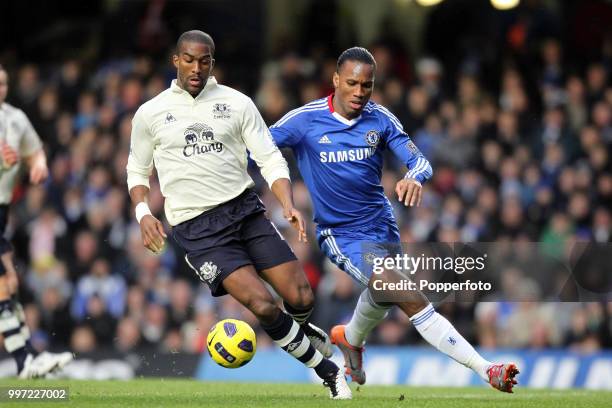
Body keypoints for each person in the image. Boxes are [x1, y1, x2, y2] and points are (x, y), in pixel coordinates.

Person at [270, 47, 519, 393]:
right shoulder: (304, 119)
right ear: (336, 80)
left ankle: (350, 339)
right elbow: (260, 146)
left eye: (367, 85)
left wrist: (414, 178)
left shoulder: (380, 118)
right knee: (398, 287)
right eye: (352, 83)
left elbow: (420, 162)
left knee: (385, 292)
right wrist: (283, 196)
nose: (359, 93)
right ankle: (486, 368)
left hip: (382, 226)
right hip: (340, 233)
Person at [126, 30, 351, 399]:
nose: (196, 68)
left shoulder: (238, 103)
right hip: (198, 229)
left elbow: (269, 157)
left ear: (212, 63)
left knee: (302, 297)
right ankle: (328, 372)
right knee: (261, 304)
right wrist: (142, 213)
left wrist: (287, 202)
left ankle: (298, 333)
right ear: (175, 60)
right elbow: (136, 169)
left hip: (245, 211)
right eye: (189, 59)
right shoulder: (150, 113)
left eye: (204, 60)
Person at [0, 64, 73, 378]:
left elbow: (35, 150)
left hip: (2, 213)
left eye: (3, 83)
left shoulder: (15, 119)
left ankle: (26, 361)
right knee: (3, 286)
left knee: (9, 284)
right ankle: (25, 361)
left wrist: (39, 164)